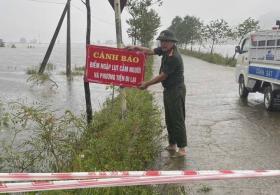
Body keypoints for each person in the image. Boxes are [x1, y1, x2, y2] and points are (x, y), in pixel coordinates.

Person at [126, 30, 187, 157]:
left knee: (177, 118)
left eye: (166, 41)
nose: (163, 43)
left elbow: (162, 76)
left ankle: (182, 149)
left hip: (176, 90)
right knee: (169, 118)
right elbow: (150, 51)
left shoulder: (174, 57)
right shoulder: (165, 50)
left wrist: (146, 83)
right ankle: (172, 144)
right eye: (162, 41)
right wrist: (136, 47)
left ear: (172, 42)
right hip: (169, 90)